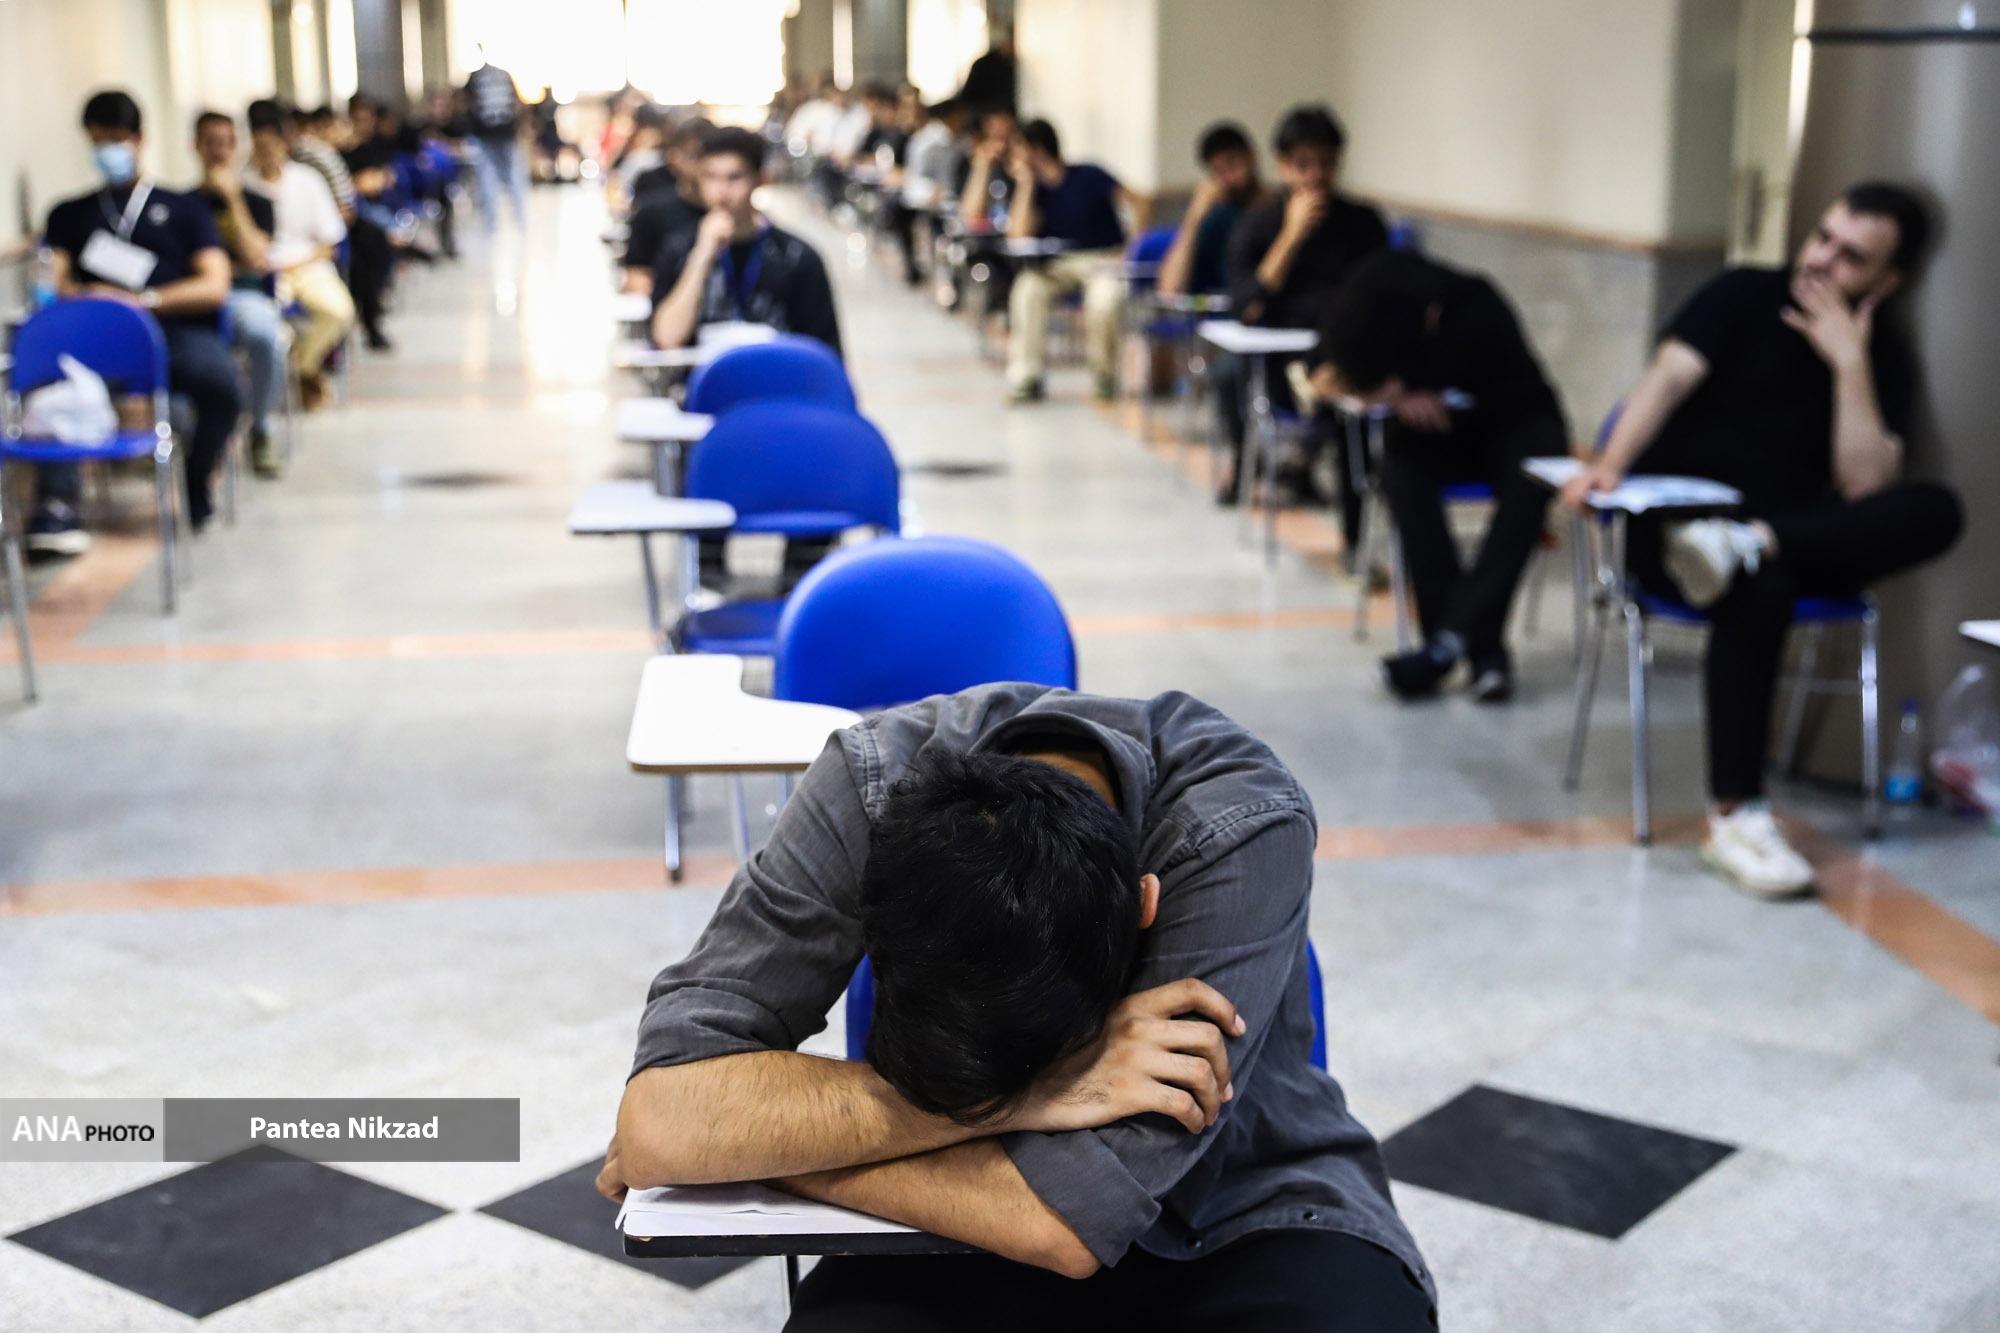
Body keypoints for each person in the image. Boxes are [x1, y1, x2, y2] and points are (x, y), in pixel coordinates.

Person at [597, 684, 1436, 1330]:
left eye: (1035, 1079)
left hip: (1248, 1206)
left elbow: (1065, 1221)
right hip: (952, 1217)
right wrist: (1041, 1093)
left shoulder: (1236, 821)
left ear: (1144, 906)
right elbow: (662, 1118)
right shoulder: (869, 789)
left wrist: (752, 1147)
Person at [1560, 183, 1964, 898]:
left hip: (1784, 535)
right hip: (1678, 527)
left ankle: (1749, 541)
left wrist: (1848, 363)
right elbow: (1666, 379)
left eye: (1851, 257)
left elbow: (1865, 485)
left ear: (1887, 281)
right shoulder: (1743, 293)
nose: (1822, 260)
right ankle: (1736, 819)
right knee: (1761, 587)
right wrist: (1609, 466)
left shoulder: (1879, 354)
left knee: (1936, 509)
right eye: (1823, 238)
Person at [1311, 252, 1567, 703]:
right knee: (1400, 474)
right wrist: (1399, 398)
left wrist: (1408, 384)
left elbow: (1502, 395)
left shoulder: (1477, 309)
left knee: (1528, 487)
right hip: (1435, 436)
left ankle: (1445, 645)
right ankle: (1477, 649)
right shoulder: (1366, 304)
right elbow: (1322, 371)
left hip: (1514, 423)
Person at [29, 90, 240, 549]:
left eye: (117, 139)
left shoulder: (185, 210)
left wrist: (142, 300)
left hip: (171, 331)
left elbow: (213, 284)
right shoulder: (70, 214)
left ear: (139, 139)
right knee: (51, 385)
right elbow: (53, 284)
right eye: (99, 140)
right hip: (96, 339)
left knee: (223, 387)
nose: (109, 150)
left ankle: (197, 480)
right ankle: (57, 505)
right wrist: (91, 298)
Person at [1218, 106, 1387, 506]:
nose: (1315, 176)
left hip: (1340, 348)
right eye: (1303, 165)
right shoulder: (1257, 224)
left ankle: (1310, 467)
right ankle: (1251, 462)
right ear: (1282, 166)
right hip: (1277, 352)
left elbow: (1381, 297)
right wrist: (1291, 236)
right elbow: (1246, 307)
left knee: (1351, 382)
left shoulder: (1362, 222)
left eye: (1326, 164)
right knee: (1229, 375)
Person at [648, 127, 840, 356]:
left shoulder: (796, 256)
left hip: (774, 373)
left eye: (734, 178)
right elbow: (666, 338)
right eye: (710, 177)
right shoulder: (679, 248)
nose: (721, 191)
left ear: (758, 180)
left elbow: (823, 354)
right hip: (704, 375)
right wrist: (702, 255)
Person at [998, 119, 1141, 403]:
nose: (1013, 159)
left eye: (1019, 150)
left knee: (1105, 300)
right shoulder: (1033, 190)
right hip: (1054, 267)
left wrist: (1132, 249)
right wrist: (1026, 185)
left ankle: (1105, 375)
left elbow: (1141, 202)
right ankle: (1026, 377)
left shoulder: (1089, 175)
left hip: (1100, 261)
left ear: (1036, 149)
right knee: (1027, 292)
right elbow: (1018, 235)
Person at [243, 99, 354, 414]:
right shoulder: (243, 183)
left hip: (308, 266)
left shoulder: (307, 180)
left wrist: (297, 263)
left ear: (285, 143)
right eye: (259, 145)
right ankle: (280, 380)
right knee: (269, 325)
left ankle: (303, 368)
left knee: (338, 311)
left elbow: (330, 241)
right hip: (264, 271)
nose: (266, 153)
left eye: (271, 145)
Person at [191, 110, 285, 477]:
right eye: (210, 143)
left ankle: (259, 428)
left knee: (264, 335)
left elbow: (256, 256)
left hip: (243, 296)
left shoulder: (257, 202)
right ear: (197, 146)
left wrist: (232, 199)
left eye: (225, 143)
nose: (218, 151)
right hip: (197, 300)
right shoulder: (183, 204)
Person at [1156, 122, 1265, 299]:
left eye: (1232, 163)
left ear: (1252, 156)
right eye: (1219, 171)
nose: (1229, 177)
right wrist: (1194, 218)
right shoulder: (1216, 218)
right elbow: (1169, 291)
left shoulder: (1280, 210)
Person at [619, 118, 710, 297]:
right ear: (675, 158)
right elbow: (635, 277)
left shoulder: (728, 214)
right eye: (695, 156)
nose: (703, 165)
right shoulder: (652, 211)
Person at [465, 51, 527, 237]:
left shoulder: (476, 77)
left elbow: (468, 103)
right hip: (501, 135)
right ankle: (518, 223)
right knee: (509, 180)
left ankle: (494, 226)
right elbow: (518, 104)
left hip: (492, 136)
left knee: (491, 181)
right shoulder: (501, 75)